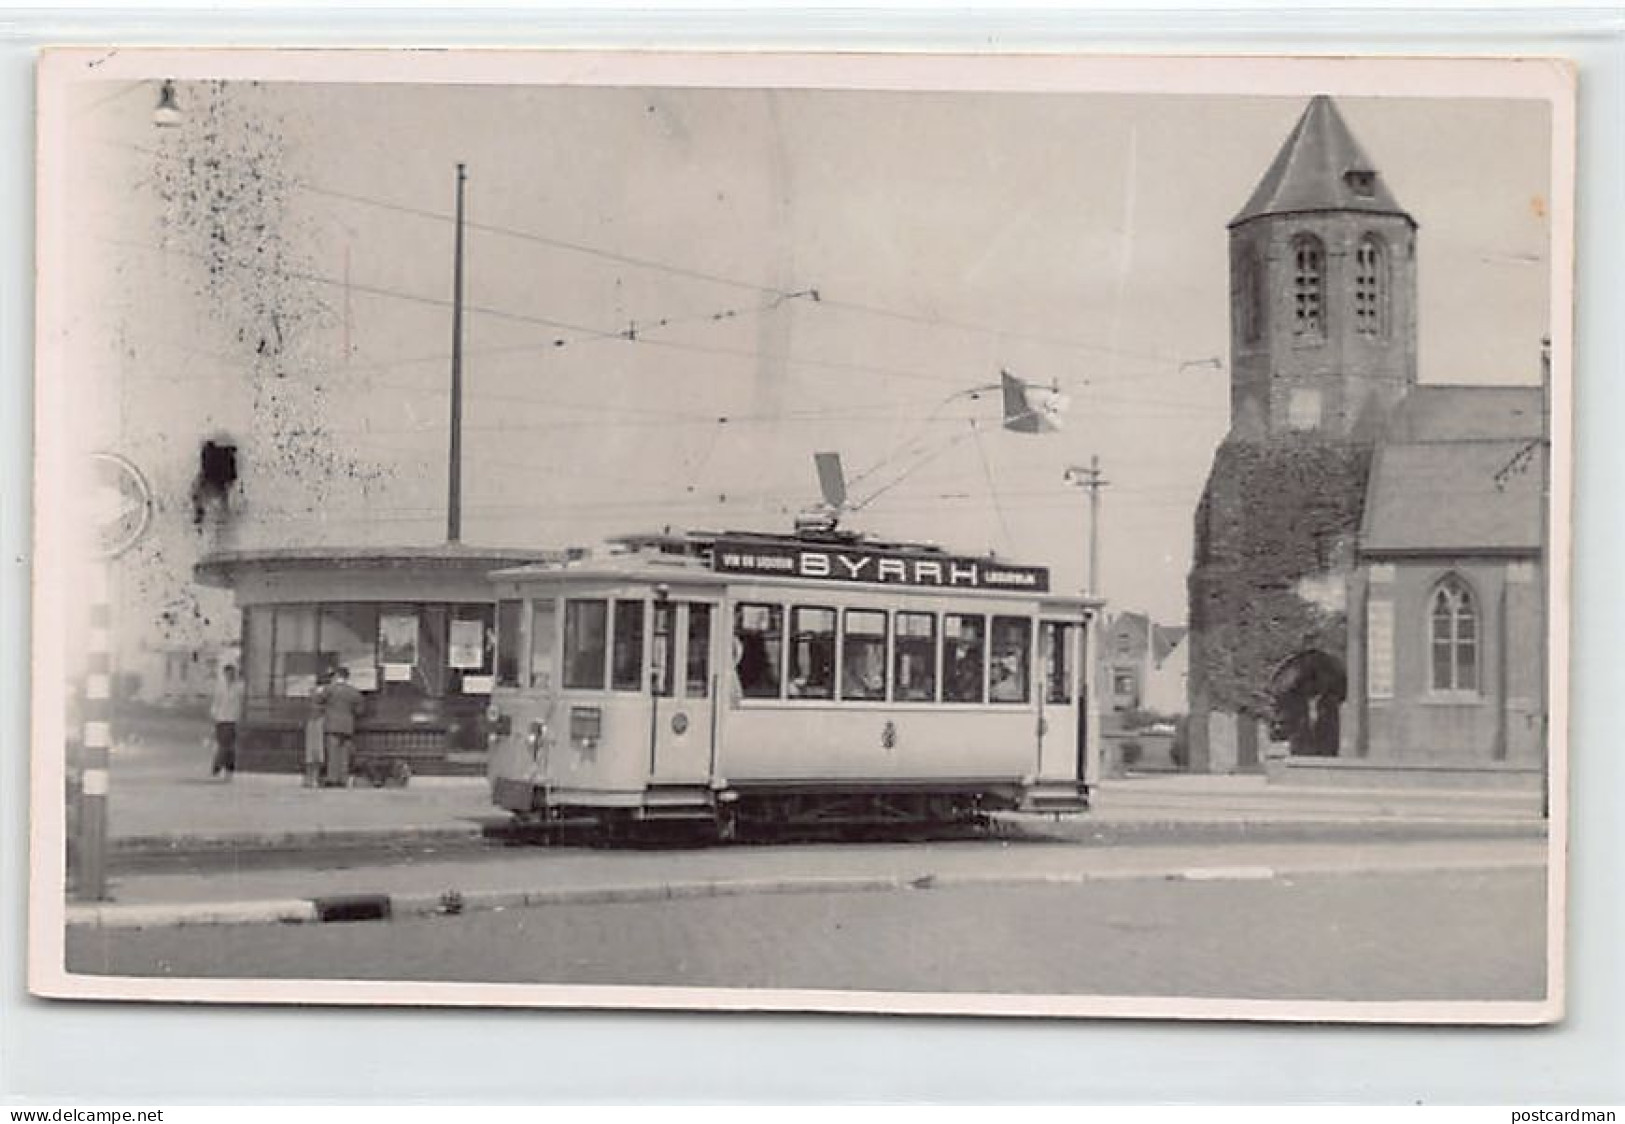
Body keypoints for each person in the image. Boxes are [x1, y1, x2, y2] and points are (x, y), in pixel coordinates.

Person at [318, 665, 366, 788]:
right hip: (348, 726)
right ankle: (343, 779)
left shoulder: (329, 689)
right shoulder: (354, 692)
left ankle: (332, 778)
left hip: (332, 725)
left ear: (337, 676)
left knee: (332, 753)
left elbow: (318, 701)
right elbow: (360, 710)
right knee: (344, 754)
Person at [209, 664, 245, 779]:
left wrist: (240, 716)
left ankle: (224, 768)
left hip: (233, 719)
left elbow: (242, 702)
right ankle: (219, 766)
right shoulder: (220, 687)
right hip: (221, 719)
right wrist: (214, 715)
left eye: (232, 673)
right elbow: (216, 702)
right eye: (228, 673)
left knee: (229, 746)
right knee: (222, 744)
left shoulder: (240, 687)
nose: (230, 676)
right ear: (225, 674)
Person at [302, 674, 327, 788]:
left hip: (311, 722)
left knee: (311, 752)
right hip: (319, 723)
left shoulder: (311, 693)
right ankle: (315, 779)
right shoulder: (324, 694)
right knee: (317, 752)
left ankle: (309, 779)